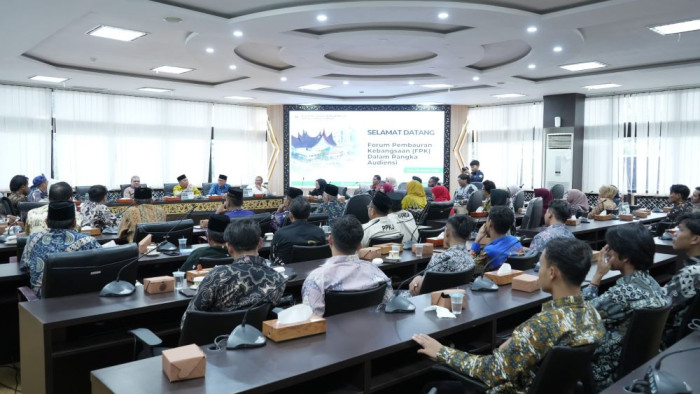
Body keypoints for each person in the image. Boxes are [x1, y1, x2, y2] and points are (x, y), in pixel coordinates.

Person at [413, 238, 604, 393]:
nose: (540, 270)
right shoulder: (592, 314)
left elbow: (492, 371)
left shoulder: (543, 325)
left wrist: (441, 351)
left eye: (542, 265)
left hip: (512, 387)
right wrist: (519, 340)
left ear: (552, 273)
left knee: (432, 387)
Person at [582, 224, 666, 390]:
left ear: (626, 257)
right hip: (638, 368)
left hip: (604, 371)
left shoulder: (622, 294)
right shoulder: (653, 284)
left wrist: (597, 277)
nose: (606, 252)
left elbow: (580, 315)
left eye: (611, 249)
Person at [182, 219, 286, 324]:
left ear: (229, 247)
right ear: (260, 243)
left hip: (215, 338)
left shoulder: (218, 276)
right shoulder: (278, 279)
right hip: (257, 336)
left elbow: (187, 320)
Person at [302, 215, 393, 316]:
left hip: (332, 332)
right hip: (371, 330)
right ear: (360, 245)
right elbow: (389, 308)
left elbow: (312, 322)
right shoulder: (379, 274)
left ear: (330, 240)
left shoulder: (316, 280)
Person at [20, 201, 101, 297]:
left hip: (43, 303)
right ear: (74, 222)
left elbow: (24, 267)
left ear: (46, 222)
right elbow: (102, 269)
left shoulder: (33, 239)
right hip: (81, 299)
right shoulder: (88, 241)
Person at [409, 215, 475, 295]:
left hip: (428, 303)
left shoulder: (440, 259)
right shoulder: (470, 259)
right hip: (455, 301)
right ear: (469, 236)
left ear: (447, 232)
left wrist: (417, 278)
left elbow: (418, 290)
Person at [662, 212, 700, 347]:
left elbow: (659, 304)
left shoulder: (692, 273)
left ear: (695, 239)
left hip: (676, 338)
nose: (675, 233)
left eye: (681, 229)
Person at [270, 197, 326, 265]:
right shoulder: (319, 232)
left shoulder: (280, 233)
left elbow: (273, 257)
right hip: (313, 272)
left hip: (287, 273)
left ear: (291, 215)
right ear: (308, 215)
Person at [471, 206, 523, 273]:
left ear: (490, 223)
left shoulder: (489, 251)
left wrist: (477, 241)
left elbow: (470, 269)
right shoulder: (516, 241)